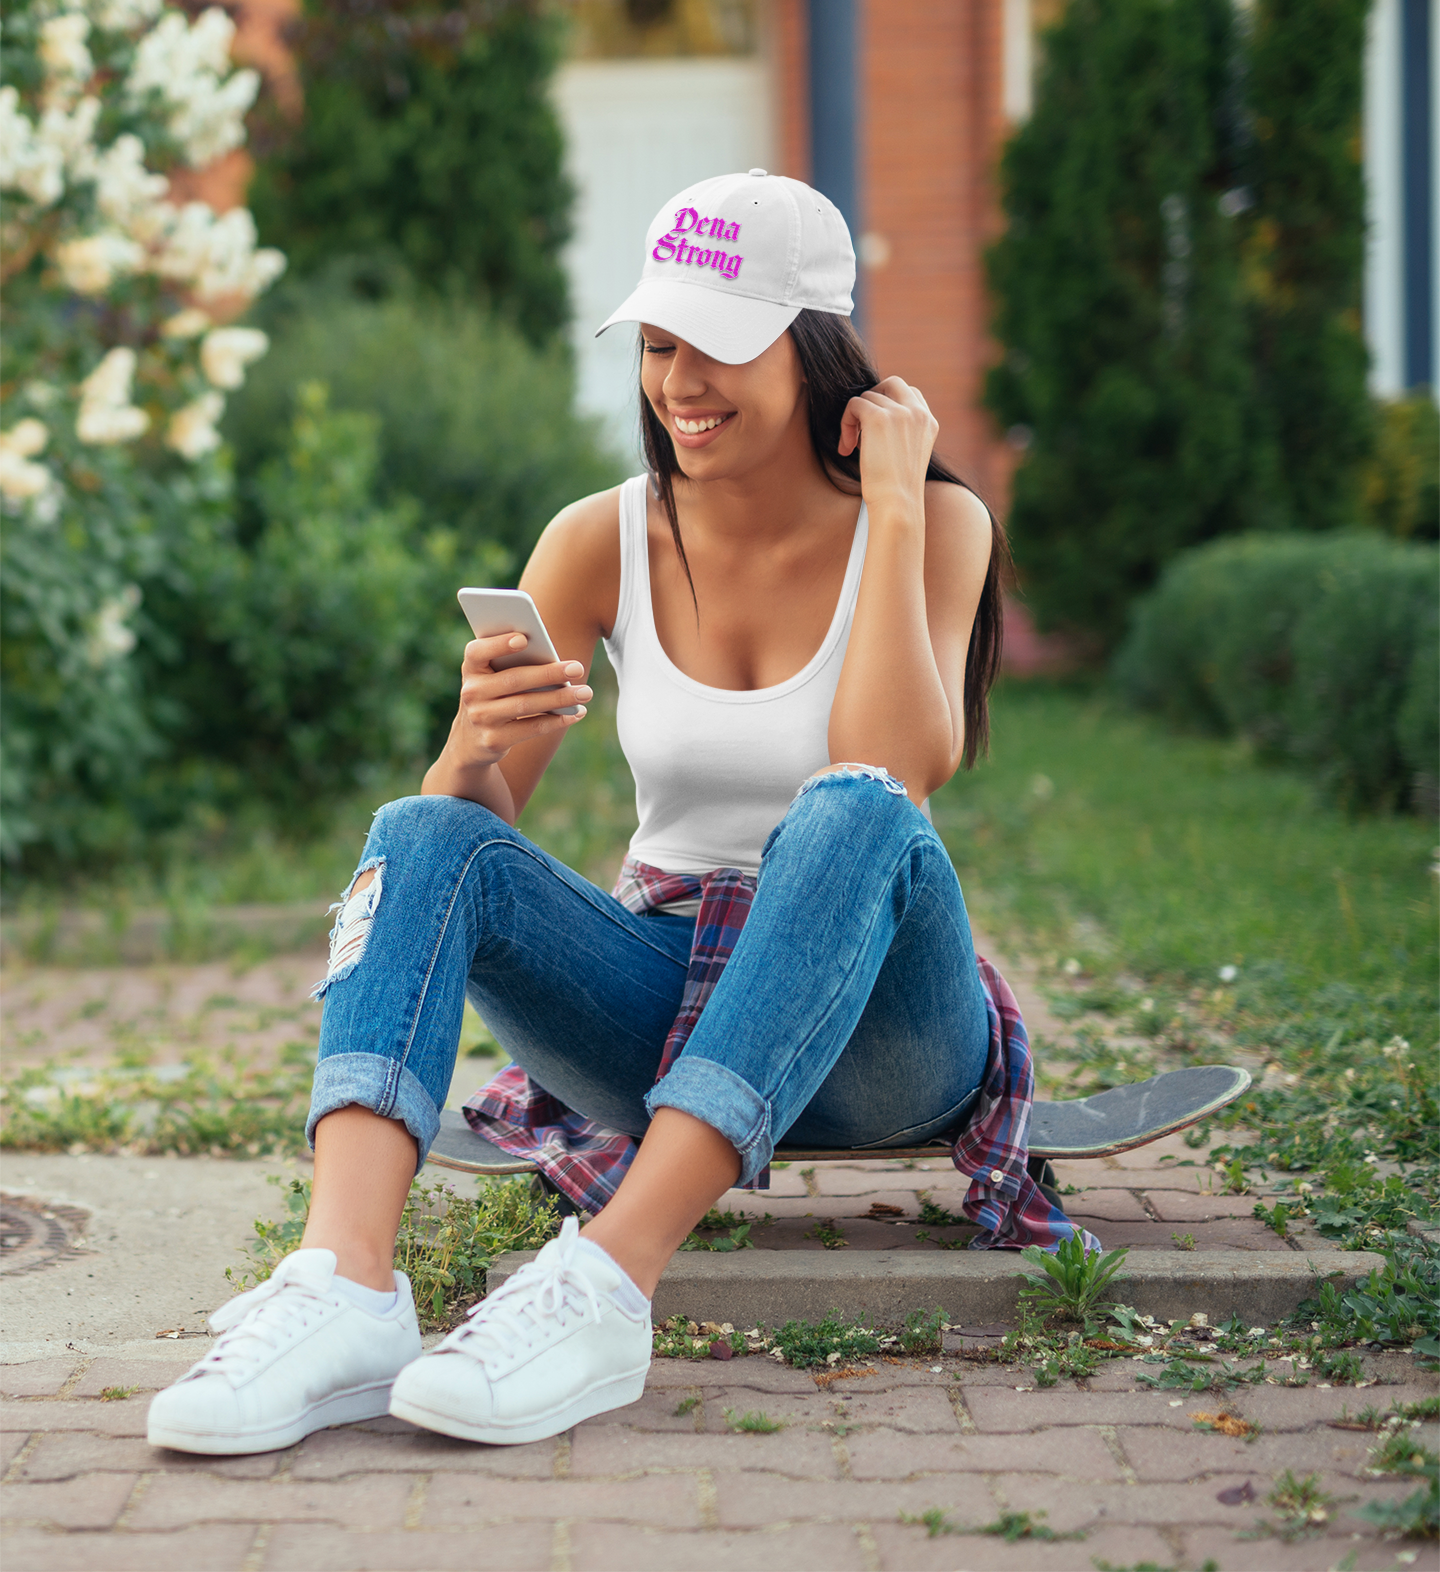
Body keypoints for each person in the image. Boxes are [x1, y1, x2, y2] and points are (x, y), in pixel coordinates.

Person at [146, 169, 1014, 1457]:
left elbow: (898, 769)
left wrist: (890, 506)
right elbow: (473, 836)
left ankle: (604, 1283)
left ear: (817, 350)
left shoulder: (936, 522)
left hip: (884, 1037)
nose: (678, 384)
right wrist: (474, 739)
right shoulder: (600, 537)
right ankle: (343, 1289)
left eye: (715, 345)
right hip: (658, 1020)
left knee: (853, 809)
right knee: (420, 830)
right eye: (659, 345)